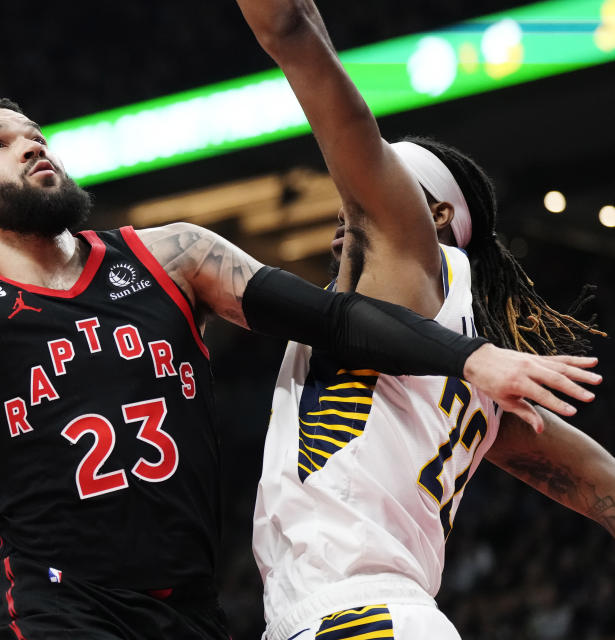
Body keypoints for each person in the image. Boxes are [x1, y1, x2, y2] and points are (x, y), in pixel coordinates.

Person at [0, 102, 598, 639]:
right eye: (2, 142)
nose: (31, 144)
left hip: (190, 611)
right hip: (60, 608)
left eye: (34, 132)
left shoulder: (169, 255)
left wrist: (468, 354)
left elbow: (330, 317)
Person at [233, 1, 615, 639]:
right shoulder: (479, 373)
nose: (348, 204)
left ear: (433, 214)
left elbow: (295, 34)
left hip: (357, 618)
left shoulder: (406, 251)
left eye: (376, 183)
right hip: (380, 615)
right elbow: (600, 481)